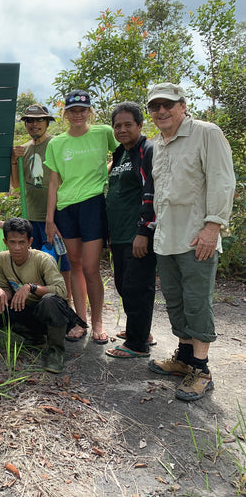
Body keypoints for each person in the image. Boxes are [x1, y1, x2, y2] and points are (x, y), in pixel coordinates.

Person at [145, 83, 235, 401]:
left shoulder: (206, 133)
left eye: (167, 105)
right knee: (175, 301)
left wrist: (213, 227)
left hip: (197, 236)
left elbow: (223, 180)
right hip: (166, 236)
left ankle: (201, 368)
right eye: (155, 107)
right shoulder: (156, 145)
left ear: (183, 105)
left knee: (197, 302)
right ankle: (183, 360)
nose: (161, 111)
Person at [44, 90, 115, 344]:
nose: (78, 115)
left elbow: (124, 154)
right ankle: (80, 321)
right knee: (73, 265)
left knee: (90, 267)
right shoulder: (56, 143)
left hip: (93, 204)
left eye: (83, 110)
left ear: (90, 112)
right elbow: (53, 183)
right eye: (73, 110)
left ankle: (98, 323)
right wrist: (50, 219)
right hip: (65, 208)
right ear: (65, 113)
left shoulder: (104, 133)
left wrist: (104, 173)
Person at [104, 102, 157, 359]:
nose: (122, 129)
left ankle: (137, 345)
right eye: (117, 125)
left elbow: (152, 193)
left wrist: (144, 231)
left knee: (138, 287)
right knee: (124, 284)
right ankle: (140, 331)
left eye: (128, 125)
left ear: (139, 125)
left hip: (138, 234)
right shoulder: (120, 153)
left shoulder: (147, 150)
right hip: (120, 234)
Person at [0, 218, 79, 373]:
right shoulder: (1, 259)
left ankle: (56, 351)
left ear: (30, 241)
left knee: (50, 301)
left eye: (22, 242)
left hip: (49, 311)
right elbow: (5, 287)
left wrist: (31, 288)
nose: (17, 247)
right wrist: (0, 292)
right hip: (26, 308)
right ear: (5, 242)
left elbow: (61, 291)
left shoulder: (43, 259)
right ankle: (34, 338)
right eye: (12, 242)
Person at [11, 103, 72, 298]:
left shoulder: (57, 144)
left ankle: (66, 303)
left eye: (39, 120)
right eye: (29, 120)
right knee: (37, 264)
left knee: (62, 263)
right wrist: (14, 159)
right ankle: (43, 305)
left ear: (47, 122)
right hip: (31, 217)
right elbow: (16, 184)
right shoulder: (24, 149)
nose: (34, 124)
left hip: (56, 216)